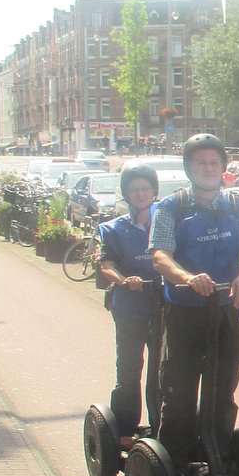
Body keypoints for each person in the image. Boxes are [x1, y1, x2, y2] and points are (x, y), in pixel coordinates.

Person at [149, 134, 239, 476]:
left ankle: (220, 458)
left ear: (223, 168)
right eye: (201, 163)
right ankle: (174, 467)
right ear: (189, 168)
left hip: (226, 309)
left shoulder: (236, 204)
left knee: (222, 390)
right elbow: (159, 255)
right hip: (186, 312)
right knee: (180, 393)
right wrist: (186, 277)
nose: (208, 168)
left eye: (214, 163)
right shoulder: (172, 207)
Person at [98, 162, 161, 442]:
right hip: (129, 309)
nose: (141, 194)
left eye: (145, 189)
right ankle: (124, 429)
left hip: (161, 307)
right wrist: (123, 280)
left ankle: (162, 427)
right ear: (126, 194)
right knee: (129, 368)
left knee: (162, 371)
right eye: (134, 189)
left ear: (153, 192)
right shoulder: (113, 229)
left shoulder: (165, 226)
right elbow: (106, 265)